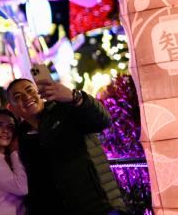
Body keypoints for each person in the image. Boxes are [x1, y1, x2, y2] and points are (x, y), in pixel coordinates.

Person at [7, 77, 126, 215]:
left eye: (30, 90)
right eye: (18, 96)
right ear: (12, 108)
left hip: (100, 206)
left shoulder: (64, 109)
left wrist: (74, 96)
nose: (27, 97)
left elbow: (103, 121)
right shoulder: (21, 138)